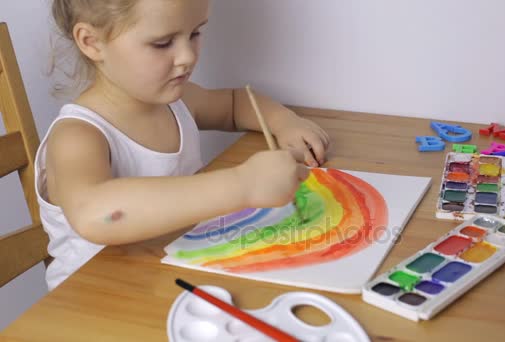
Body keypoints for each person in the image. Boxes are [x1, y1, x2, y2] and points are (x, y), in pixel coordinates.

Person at [36, 0, 330, 290]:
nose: (188, 56)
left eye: (195, 33)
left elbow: (234, 102)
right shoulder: (77, 136)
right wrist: (243, 185)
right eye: (163, 43)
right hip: (93, 305)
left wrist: (284, 121)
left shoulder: (177, 102)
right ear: (92, 42)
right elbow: (94, 215)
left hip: (166, 277)